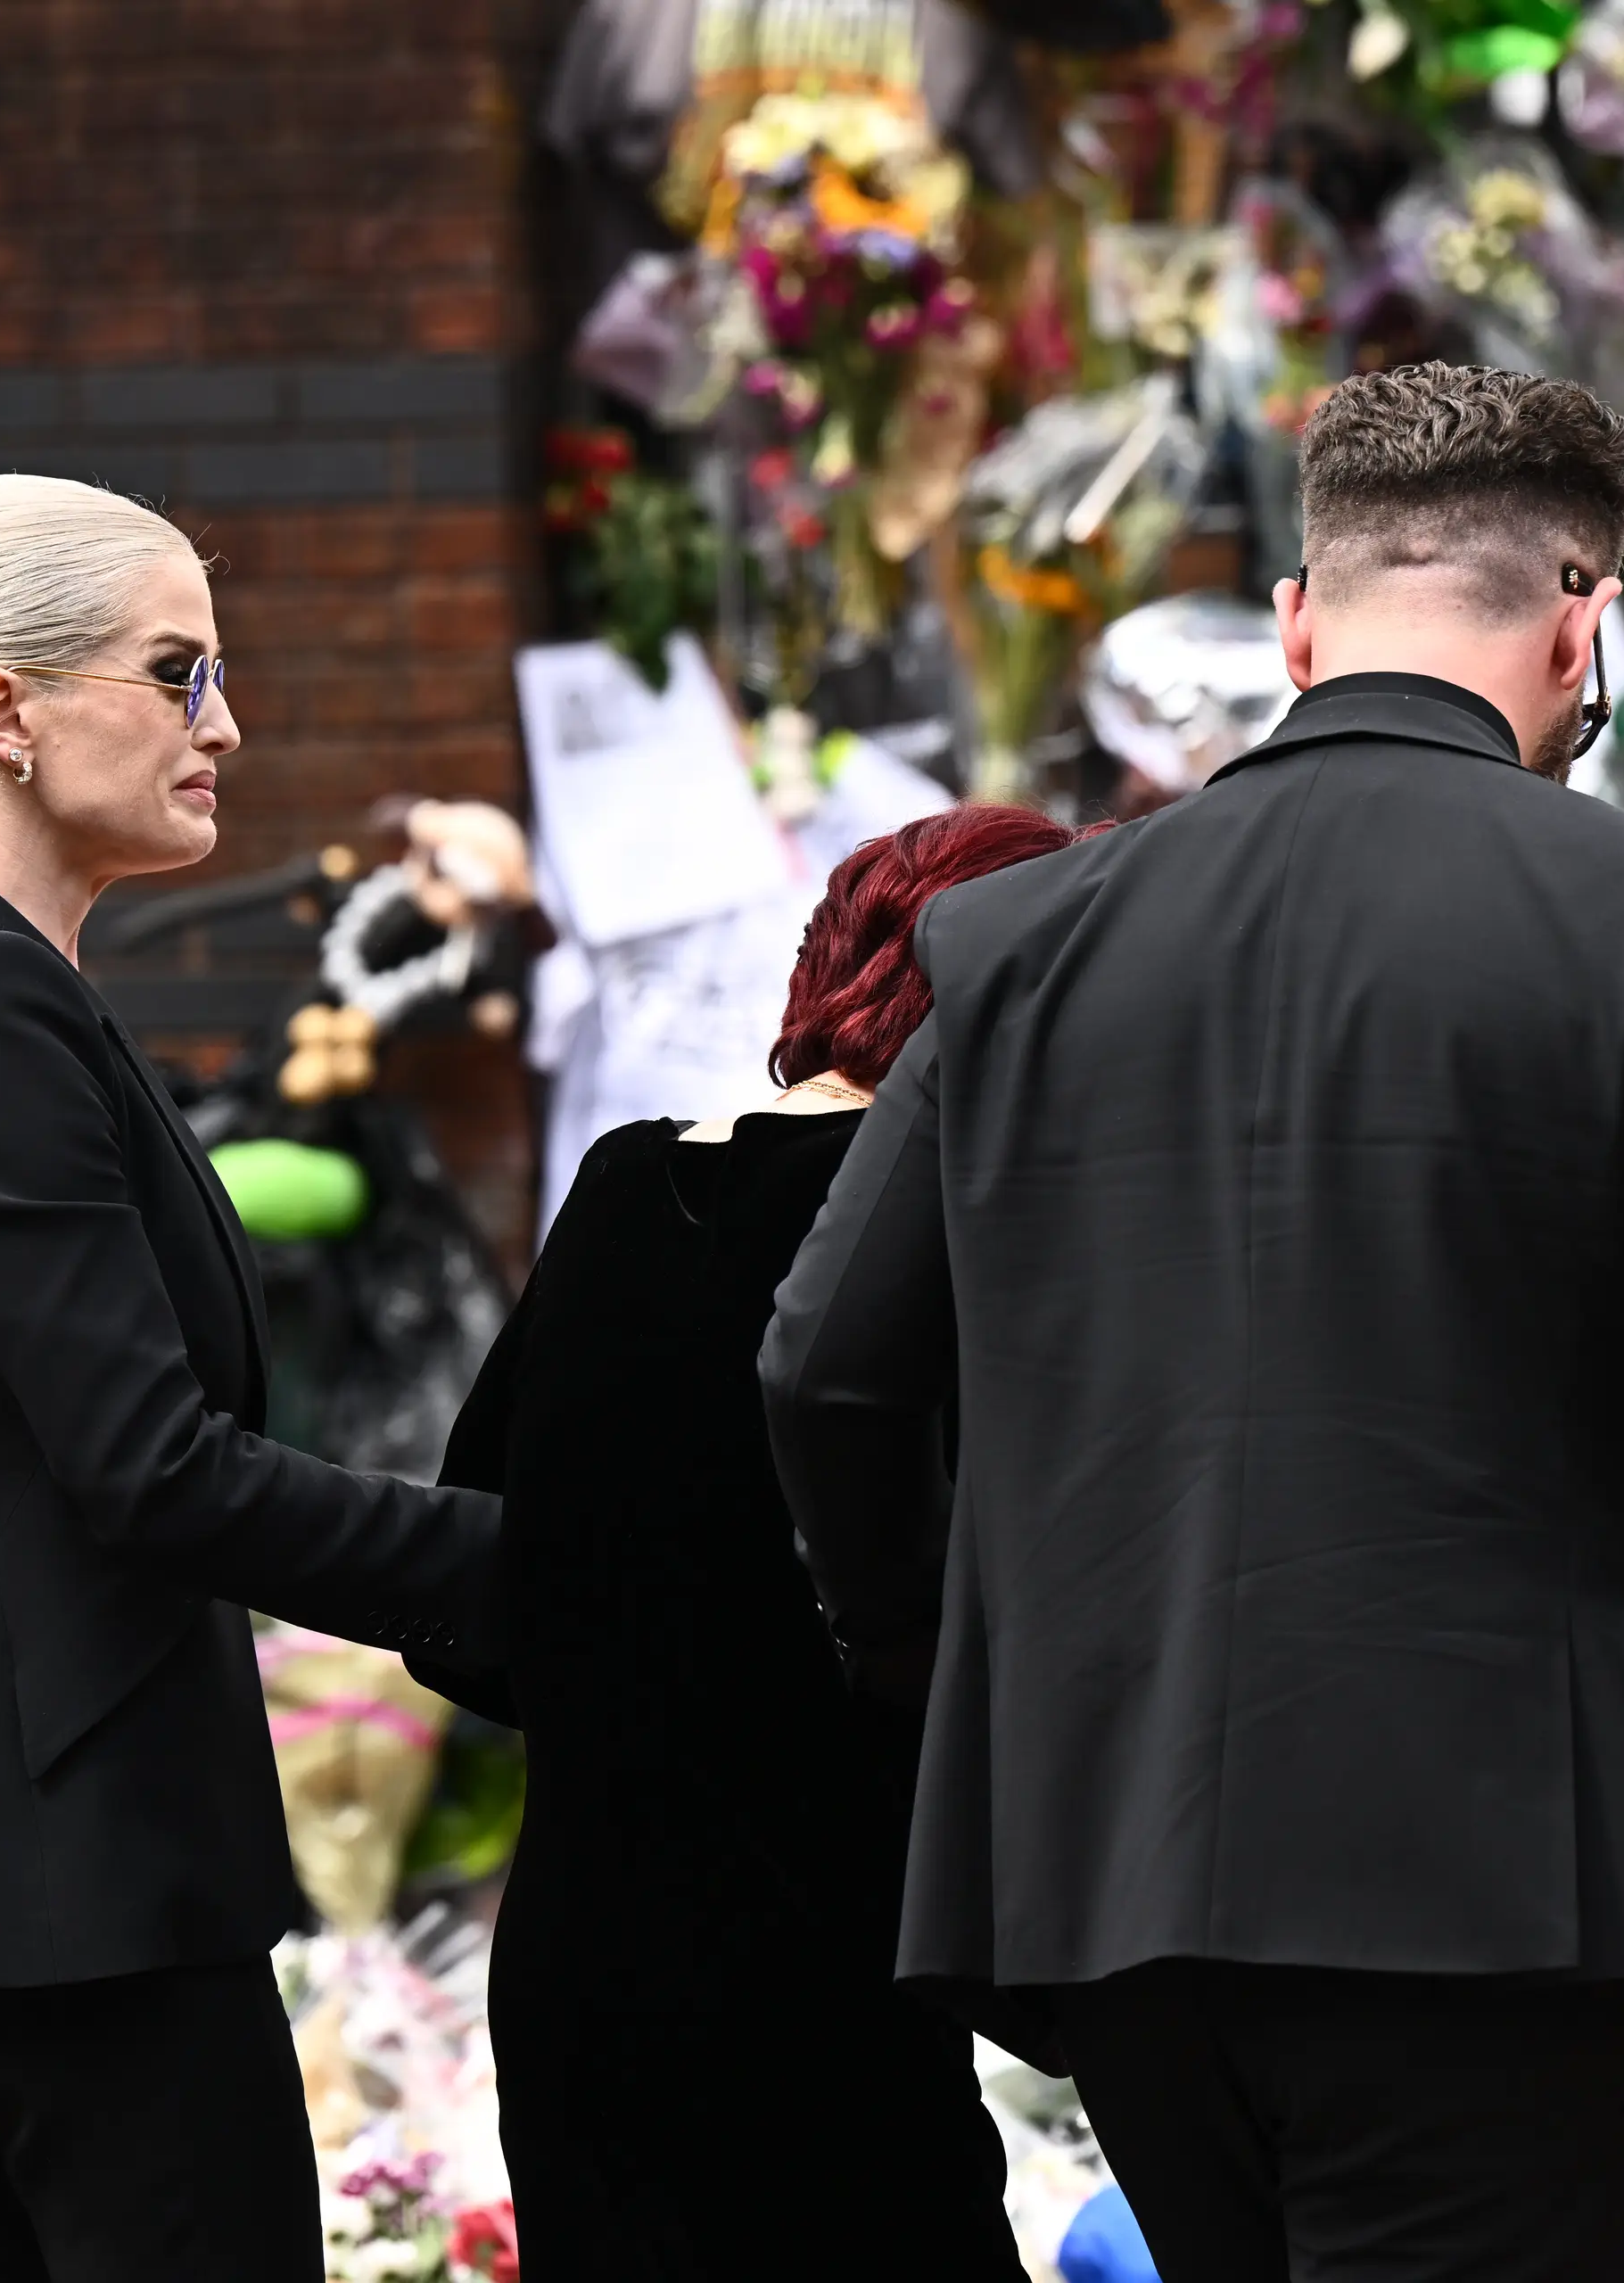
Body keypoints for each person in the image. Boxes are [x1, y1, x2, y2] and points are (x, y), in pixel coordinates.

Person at [759, 366, 1624, 2280]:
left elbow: (825, 1364)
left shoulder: (1022, 939)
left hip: (1114, 1878)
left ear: (1298, 623)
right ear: (1583, 632)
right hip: (1498, 1894)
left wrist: (965, 1684)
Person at [0, 473, 501, 2282]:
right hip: (67, 1871)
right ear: (4, 711)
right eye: (177, 673)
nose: (223, 725)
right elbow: (153, 1465)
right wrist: (521, 1560)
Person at [410, 805, 1074, 2283]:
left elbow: (480, 1590)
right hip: (827, 1961)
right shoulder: (943, 1234)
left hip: (584, 1952)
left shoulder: (619, 1188)